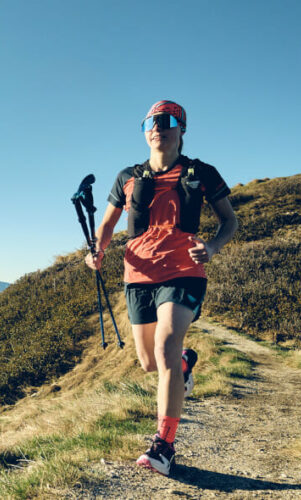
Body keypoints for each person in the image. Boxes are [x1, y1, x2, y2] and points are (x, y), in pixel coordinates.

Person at [85, 100, 238, 476]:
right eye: (149, 123)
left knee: (166, 344)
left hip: (185, 270)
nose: (157, 128)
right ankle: (184, 364)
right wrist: (98, 250)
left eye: (166, 121)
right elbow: (107, 224)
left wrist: (214, 246)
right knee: (150, 361)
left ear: (181, 129)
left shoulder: (201, 172)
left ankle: (163, 445)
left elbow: (229, 220)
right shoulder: (128, 176)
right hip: (138, 276)